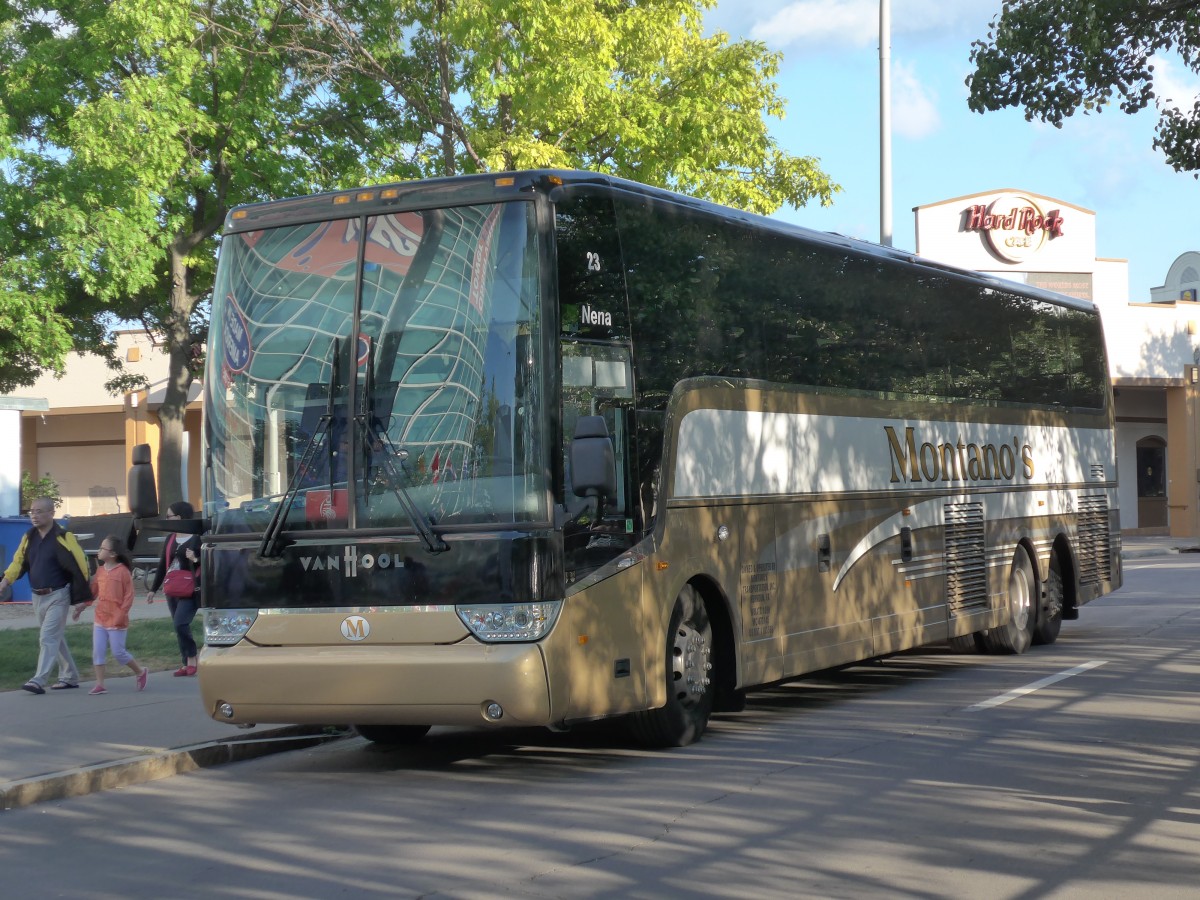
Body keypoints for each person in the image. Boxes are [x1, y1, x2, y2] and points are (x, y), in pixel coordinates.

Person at [0, 496, 91, 694]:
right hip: (37, 596)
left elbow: (81, 566)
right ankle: (70, 676)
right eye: (32, 511)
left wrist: (83, 598)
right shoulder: (29, 536)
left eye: (39, 511)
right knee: (54, 637)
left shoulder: (63, 537)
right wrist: (5, 581)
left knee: (47, 637)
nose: (34, 515)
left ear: (51, 513)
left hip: (58, 595)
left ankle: (38, 680)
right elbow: (18, 562)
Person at [73, 535, 148, 695]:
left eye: (102, 548)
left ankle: (140, 672)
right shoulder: (100, 571)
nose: (98, 551)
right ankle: (100, 684)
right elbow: (93, 592)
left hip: (117, 620)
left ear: (112, 554)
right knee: (98, 651)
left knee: (118, 653)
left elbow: (129, 596)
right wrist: (82, 606)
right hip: (100, 618)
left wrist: (122, 613)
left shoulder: (123, 572)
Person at [145, 501, 201, 676]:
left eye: (169, 516)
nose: (167, 519)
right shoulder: (171, 538)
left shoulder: (197, 537)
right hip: (173, 588)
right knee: (177, 626)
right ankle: (185, 663)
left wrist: (196, 559)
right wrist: (153, 589)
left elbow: (208, 561)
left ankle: (192, 657)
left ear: (180, 517)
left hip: (190, 588)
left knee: (180, 623)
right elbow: (163, 565)